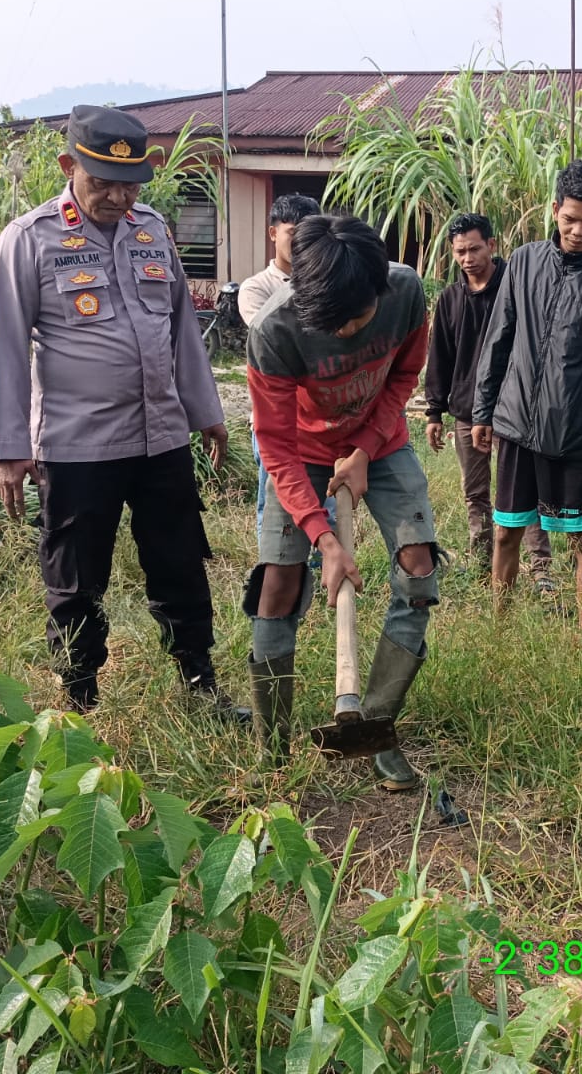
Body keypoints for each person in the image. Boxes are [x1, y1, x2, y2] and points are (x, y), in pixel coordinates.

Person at [0, 104, 242, 719]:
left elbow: (183, 330)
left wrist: (206, 412)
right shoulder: (29, 239)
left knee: (181, 562)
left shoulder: (152, 229)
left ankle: (200, 684)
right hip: (77, 448)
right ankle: (78, 703)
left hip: (161, 439)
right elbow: (9, 345)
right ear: (67, 165)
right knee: (77, 580)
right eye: (102, 180)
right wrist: (10, 448)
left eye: (128, 185)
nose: (116, 196)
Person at [244, 214, 440, 791]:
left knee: (419, 568)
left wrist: (363, 448)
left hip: (380, 444)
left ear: (380, 290)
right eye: (336, 324)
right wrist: (324, 538)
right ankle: (272, 750)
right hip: (300, 454)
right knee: (279, 584)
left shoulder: (405, 292)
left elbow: (405, 375)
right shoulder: (275, 331)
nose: (351, 332)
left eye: (360, 318)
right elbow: (275, 446)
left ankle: (375, 728)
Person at [470, 161, 582, 623]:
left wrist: (577, 396)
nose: (578, 230)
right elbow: (499, 339)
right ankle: (499, 627)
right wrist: (483, 412)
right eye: (569, 219)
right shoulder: (523, 262)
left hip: (571, 433)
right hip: (514, 425)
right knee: (506, 533)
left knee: (580, 536)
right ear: (554, 210)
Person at [423, 213, 552, 584]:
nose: (467, 258)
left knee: (523, 494)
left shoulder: (516, 286)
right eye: (460, 252)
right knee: (475, 494)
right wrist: (434, 411)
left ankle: (541, 571)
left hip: (514, 410)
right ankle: (482, 566)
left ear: (492, 245)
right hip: (465, 410)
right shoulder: (450, 298)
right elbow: (440, 357)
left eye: (475, 249)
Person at [237, 193, 332, 542]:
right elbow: (277, 343)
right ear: (273, 233)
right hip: (277, 421)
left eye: (311, 235)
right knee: (277, 513)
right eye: (294, 234)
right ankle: (277, 583)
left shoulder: (327, 283)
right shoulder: (255, 288)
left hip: (322, 423)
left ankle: (326, 581)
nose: (302, 244)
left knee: (327, 511)